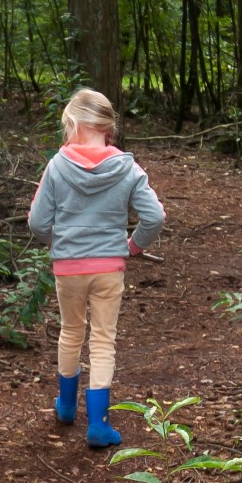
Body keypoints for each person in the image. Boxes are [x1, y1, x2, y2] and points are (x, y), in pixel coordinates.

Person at [27, 89, 165, 448]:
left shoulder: (57, 165)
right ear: (106, 127)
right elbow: (154, 216)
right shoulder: (127, 168)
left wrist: (59, 244)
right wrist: (133, 246)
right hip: (109, 268)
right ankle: (99, 425)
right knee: (103, 340)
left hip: (68, 268)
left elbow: (38, 222)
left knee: (71, 332)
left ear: (73, 124)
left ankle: (67, 406)